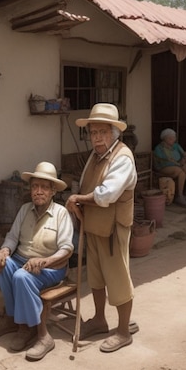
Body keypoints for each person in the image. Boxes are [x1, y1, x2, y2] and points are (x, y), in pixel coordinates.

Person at [0, 161, 75, 361]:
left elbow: (67, 249)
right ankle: (11, 318)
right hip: (21, 260)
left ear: (52, 191)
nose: (38, 191)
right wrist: (4, 250)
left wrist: (45, 261)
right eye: (35, 186)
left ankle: (38, 333)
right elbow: (13, 237)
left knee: (22, 277)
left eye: (44, 187)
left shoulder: (61, 213)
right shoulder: (25, 209)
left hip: (51, 268)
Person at [65, 103, 137, 353]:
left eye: (102, 132)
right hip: (94, 225)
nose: (96, 138)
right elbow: (86, 185)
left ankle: (124, 330)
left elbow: (107, 194)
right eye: (93, 133)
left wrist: (80, 200)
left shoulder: (122, 157)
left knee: (117, 279)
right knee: (95, 277)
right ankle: (99, 320)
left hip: (113, 228)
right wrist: (78, 202)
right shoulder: (96, 157)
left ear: (114, 133)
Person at [153, 128, 186, 207]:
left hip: (179, 163)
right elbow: (167, 161)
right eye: (170, 138)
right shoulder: (160, 148)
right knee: (180, 171)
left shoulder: (175, 146)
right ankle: (179, 196)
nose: (173, 139)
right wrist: (182, 164)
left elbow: (183, 153)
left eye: (174, 138)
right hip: (165, 166)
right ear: (164, 139)